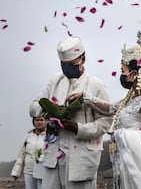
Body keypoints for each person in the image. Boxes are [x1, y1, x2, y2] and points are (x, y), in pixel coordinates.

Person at [67, 31, 141, 189]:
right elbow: (111, 108)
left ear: (134, 74)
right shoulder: (131, 98)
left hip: (139, 168)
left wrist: (121, 135)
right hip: (123, 160)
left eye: (123, 70)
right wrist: (85, 97)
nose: (122, 74)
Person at [29, 36, 112, 189]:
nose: (67, 68)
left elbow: (106, 122)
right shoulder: (55, 80)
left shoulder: (96, 85)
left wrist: (78, 128)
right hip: (53, 155)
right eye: (63, 64)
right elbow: (33, 108)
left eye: (71, 64)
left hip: (81, 156)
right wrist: (47, 108)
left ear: (83, 59)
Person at [11, 111, 46, 189]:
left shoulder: (50, 136)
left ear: (46, 121)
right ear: (33, 122)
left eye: (41, 120)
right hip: (29, 171)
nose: (39, 122)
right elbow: (21, 155)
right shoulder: (27, 136)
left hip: (43, 170)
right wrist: (16, 172)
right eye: (37, 120)